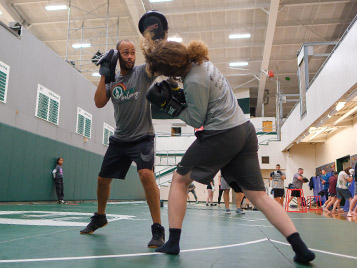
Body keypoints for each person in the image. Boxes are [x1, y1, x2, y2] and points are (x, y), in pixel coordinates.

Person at [141, 38, 315, 263]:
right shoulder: (202, 62)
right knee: (259, 195)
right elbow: (206, 100)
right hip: (245, 130)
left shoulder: (194, 80)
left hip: (222, 134)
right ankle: (300, 247)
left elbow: (196, 119)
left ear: (171, 68)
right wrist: (179, 94)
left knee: (179, 179)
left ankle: (173, 241)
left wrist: (169, 106)